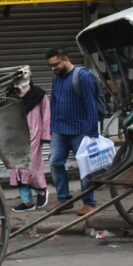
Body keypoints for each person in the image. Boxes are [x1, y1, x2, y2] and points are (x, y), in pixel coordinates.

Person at [46, 48, 97, 215]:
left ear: (65, 59)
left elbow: (91, 104)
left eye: (56, 64)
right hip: (60, 130)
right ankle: (64, 200)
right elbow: (54, 102)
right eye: (51, 66)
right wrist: (52, 127)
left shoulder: (82, 76)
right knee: (55, 162)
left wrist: (92, 132)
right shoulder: (57, 78)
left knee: (85, 167)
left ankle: (89, 202)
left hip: (81, 130)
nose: (53, 68)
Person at [10, 78, 51, 212]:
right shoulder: (12, 95)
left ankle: (41, 191)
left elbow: (46, 114)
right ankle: (26, 202)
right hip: (16, 134)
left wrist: (45, 135)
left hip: (34, 132)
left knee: (30, 166)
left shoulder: (39, 94)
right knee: (17, 168)